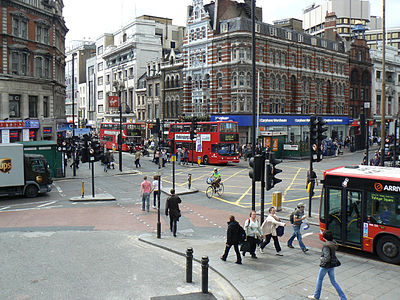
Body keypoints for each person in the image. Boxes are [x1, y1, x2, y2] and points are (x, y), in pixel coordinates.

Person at [308, 230, 347, 300]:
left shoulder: (326, 246)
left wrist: (321, 259)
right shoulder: (333, 243)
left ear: (324, 237)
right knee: (333, 281)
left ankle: (316, 296)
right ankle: (343, 297)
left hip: (326, 266)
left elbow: (326, 257)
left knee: (319, 280)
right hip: (332, 264)